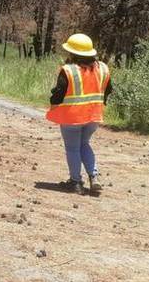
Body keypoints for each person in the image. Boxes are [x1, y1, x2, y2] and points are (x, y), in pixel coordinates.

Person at [46, 33, 111, 195]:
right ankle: (93, 176)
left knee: (73, 148)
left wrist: (53, 105)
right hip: (94, 116)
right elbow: (108, 90)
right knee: (84, 144)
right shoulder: (102, 68)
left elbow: (59, 94)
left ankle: (75, 182)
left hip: (72, 117)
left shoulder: (69, 70)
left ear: (72, 53)